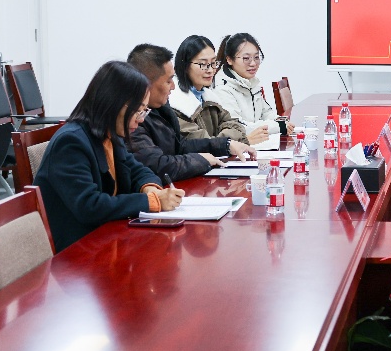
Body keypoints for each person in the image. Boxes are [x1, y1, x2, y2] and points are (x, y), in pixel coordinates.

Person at [34, 61, 183, 252]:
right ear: (115, 104)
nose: (140, 119)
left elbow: (138, 170)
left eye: (144, 111)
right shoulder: (71, 142)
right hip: (76, 252)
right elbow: (90, 206)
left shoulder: (109, 135)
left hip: (106, 238)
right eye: (138, 111)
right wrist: (152, 202)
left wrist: (150, 189)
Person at [126, 43, 256, 180]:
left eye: (213, 63)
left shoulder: (162, 108)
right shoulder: (133, 120)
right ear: (146, 83)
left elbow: (181, 146)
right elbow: (158, 166)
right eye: (168, 81)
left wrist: (225, 145)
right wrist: (201, 160)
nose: (173, 86)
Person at [170, 34, 269, 146]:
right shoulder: (176, 104)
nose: (210, 70)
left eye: (213, 63)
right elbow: (201, 143)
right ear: (185, 65)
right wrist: (228, 142)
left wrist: (222, 141)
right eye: (203, 64)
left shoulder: (209, 98)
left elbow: (235, 125)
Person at [204, 32, 294, 140]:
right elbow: (238, 127)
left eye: (256, 57)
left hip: (258, 142)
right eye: (246, 58)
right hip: (240, 146)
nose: (253, 63)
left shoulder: (250, 82)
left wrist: (281, 121)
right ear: (229, 60)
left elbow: (266, 112)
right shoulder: (222, 89)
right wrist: (278, 127)